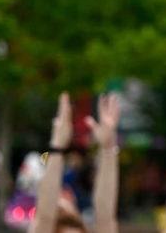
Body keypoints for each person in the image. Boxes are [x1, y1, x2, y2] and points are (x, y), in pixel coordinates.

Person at [33, 93, 120, 233]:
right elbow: (44, 218)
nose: (61, 201)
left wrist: (108, 148)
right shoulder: (45, 222)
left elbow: (105, 218)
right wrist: (57, 147)